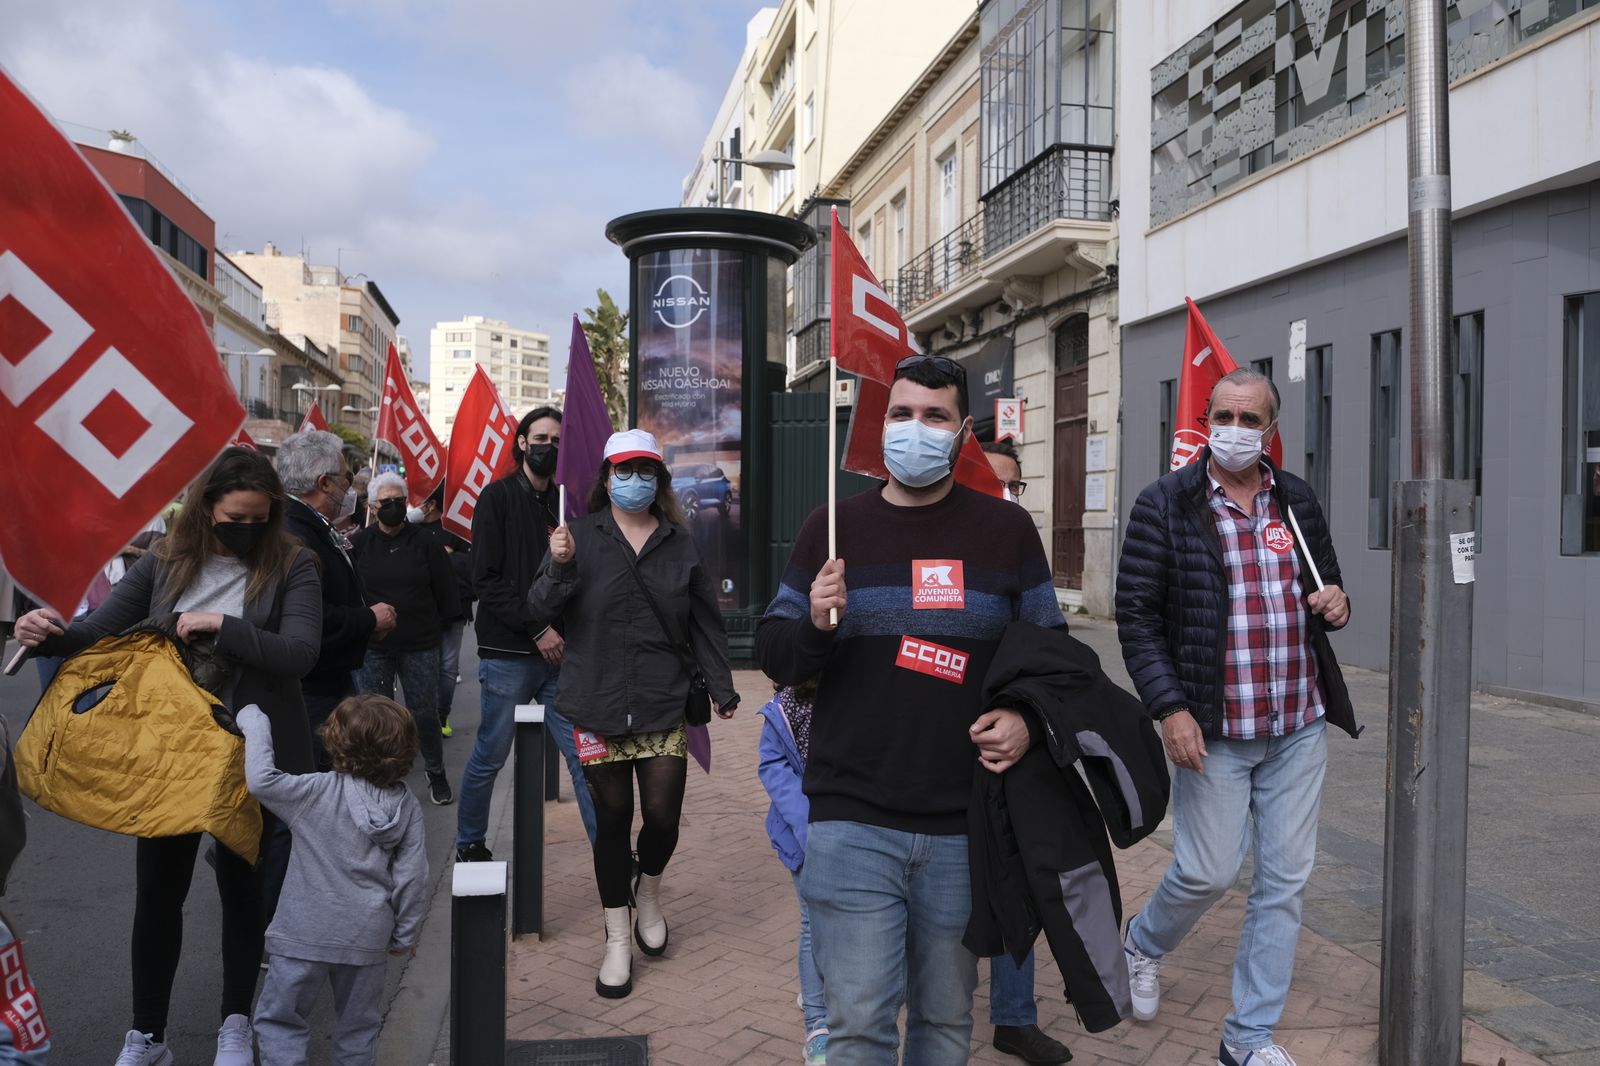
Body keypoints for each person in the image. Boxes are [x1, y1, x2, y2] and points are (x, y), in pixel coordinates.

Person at [756, 356, 1066, 1066]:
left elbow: (1052, 656)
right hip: (850, 818)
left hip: (964, 826)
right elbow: (775, 653)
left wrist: (1024, 719)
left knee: (945, 1022)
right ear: (880, 425)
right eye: (901, 415)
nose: (914, 430)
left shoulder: (1006, 532)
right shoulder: (829, 529)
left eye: (933, 417)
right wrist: (815, 624)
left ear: (961, 435)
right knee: (859, 1025)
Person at [14, 447, 322, 1066]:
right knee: (158, 891)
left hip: (248, 753)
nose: (250, 529)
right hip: (167, 754)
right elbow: (99, 632)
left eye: (262, 517)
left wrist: (220, 625)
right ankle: (147, 1035)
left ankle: (235, 1024)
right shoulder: (164, 561)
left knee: (242, 890)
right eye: (238, 516)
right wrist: (46, 628)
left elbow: (299, 654)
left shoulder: (295, 563)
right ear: (208, 509)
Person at [1115, 368, 1358, 1066]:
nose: (1236, 430)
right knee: (1208, 872)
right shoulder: (1166, 504)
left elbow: (1327, 589)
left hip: (1297, 724)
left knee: (1283, 883)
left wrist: (1337, 604)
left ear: (1272, 430)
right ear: (1204, 420)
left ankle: (1247, 1038)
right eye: (1224, 415)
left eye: (1251, 420)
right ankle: (1143, 941)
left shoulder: (1296, 501)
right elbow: (1135, 616)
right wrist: (1170, 709)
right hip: (1215, 729)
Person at [529, 429, 739, 999]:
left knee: (664, 820)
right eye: (624, 470)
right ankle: (616, 937)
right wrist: (558, 565)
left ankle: (648, 888)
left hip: (662, 700)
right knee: (613, 821)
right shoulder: (578, 539)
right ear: (605, 477)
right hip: (594, 703)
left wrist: (722, 688)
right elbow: (539, 607)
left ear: (660, 479)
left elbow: (703, 622)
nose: (634, 480)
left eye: (646, 469)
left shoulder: (680, 542)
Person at [242, 695, 427, 1066]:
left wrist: (254, 720)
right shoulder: (406, 807)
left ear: (337, 742)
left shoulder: (315, 791)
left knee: (280, 1019)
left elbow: (261, 781)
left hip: (302, 932)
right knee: (358, 1029)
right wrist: (404, 935)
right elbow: (412, 877)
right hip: (367, 935)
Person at [456, 407, 597, 862]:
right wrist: (538, 629)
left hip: (559, 657)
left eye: (557, 441)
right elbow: (486, 580)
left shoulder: (564, 504)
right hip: (509, 655)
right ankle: (469, 843)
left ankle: (608, 852)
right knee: (491, 754)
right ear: (521, 443)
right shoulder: (496, 498)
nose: (548, 447)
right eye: (540, 438)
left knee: (584, 757)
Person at [974, 438, 1073, 1066]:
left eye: (1017, 485)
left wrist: (1027, 715)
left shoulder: (1021, 545)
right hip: (935, 745)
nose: (1008, 496)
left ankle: (1014, 1018)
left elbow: (1052, 642)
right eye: (995, 484)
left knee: (1017, 879)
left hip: (1009, 743)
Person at [275, 430, 396, 770]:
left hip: (330, 680)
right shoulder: (294, 533)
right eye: (346, 477)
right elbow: (309, 618)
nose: (350, 487)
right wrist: (368, 620)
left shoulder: (312, 526)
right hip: (312, 689)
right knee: (318, 786)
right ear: (324, 482)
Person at [349, 472, 459, 806]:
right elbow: (350, 594)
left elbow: (445, 589)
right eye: (387, 502)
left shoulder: (425, 542)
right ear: (372, 505)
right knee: (376, 716)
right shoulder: (357, 544)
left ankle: (435, 771)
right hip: (374, 647)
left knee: (424, 713)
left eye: (400, 501)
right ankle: (382, 777)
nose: (394, 507)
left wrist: (440, 629)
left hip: (420, 644)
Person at [756, 680, 828, 1066]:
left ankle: (824, 989)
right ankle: (817, 1022)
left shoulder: (869, 689)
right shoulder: (789, 705)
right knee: (813, 922)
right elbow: (774, 766)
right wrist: (809, 831)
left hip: (861, 828)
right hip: (805, 834)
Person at [408, 487, 473, 737]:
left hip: (454, 610)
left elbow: (469, 567)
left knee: (447, 667)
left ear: (432, 504)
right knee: (423, 666)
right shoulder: (410, 531)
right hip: (421, 611)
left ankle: (440, 716)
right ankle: (421, 718)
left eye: (419, 500)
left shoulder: (456, 531)